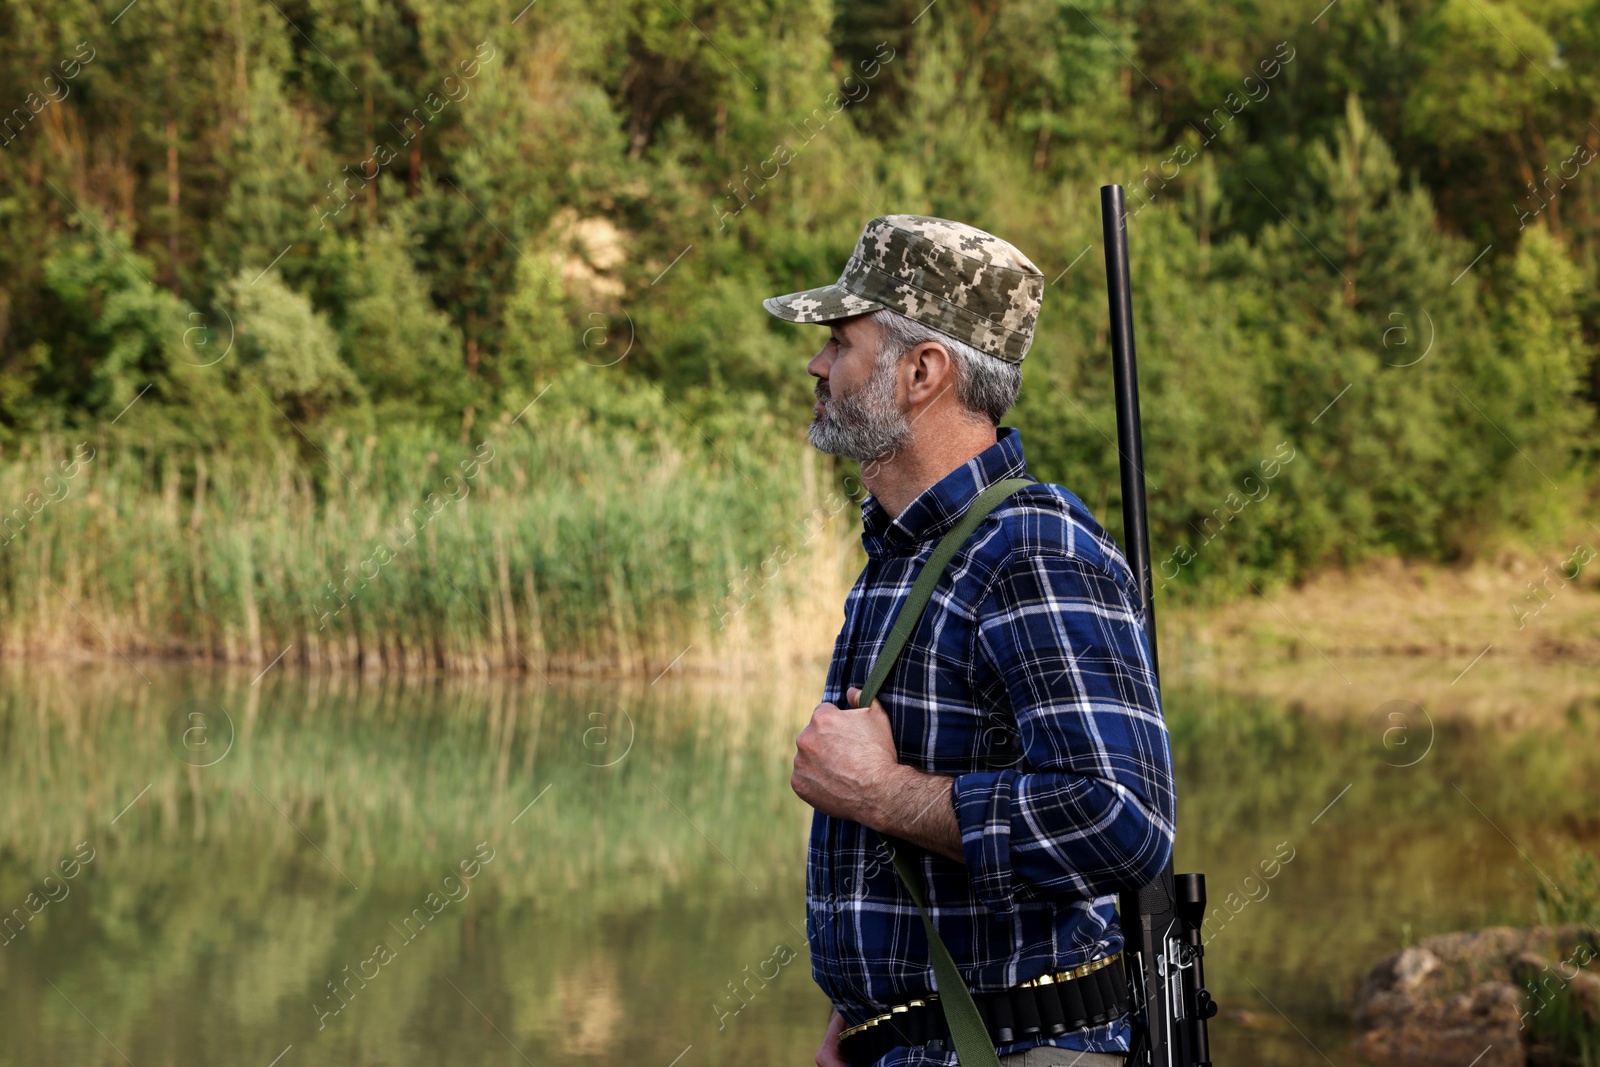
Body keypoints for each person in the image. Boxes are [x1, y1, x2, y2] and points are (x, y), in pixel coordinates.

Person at [764, 215, 1176, 1067]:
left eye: (840, 342)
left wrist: (883, 792)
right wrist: (872, 1017)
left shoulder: (1032, 547)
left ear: (922, 371)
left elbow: (1120, 819)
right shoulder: (903, 551)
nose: (815, 364)